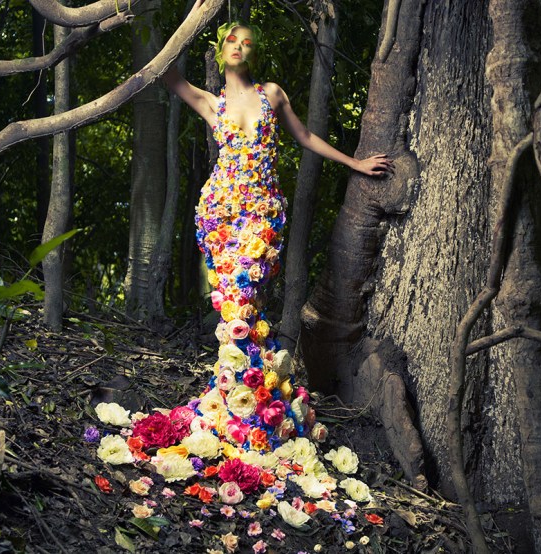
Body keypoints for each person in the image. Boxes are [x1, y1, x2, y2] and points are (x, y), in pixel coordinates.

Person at [160, 2, 393, 454]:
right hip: (220, 216)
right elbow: (164, 71)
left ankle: (252, 405)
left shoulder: (272, 93)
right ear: (220, 48)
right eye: (231, 40)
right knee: (233, 312)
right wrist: (190, 18)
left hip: (262, 215)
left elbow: (304, 137)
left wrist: (354, 163)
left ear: (255, 52)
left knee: (248, 304)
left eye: (247, 42)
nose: (238, 47)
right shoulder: (211, 102)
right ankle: (236, 404)